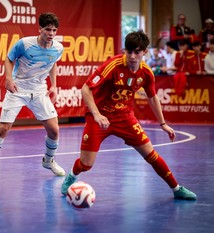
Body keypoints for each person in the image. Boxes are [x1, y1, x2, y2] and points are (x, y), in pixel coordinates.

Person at [61, 30, 197, 200]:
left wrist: (163, 123)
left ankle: (177, 188)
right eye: (129, 51)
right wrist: (96, 114)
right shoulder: (113, 65)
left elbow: (152, 97)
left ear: (144, 52)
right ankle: (72, 176)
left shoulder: (146, 73)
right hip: (100, 117)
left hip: (125, 117)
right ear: (124, 50)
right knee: (86, 164)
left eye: (137, 52)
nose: (132, 56)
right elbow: (86, 88)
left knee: (151, 155)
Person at [0, 12, 65, 180]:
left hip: (40, 90)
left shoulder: (58, 48)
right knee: (3, 129)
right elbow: (9, 59)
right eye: (48, 30)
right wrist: (9, 79)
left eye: (54, 30)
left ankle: (48, 161)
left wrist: (54, 85)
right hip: (18, 88)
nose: (51, 34)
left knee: (54, 131)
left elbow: (53, 63)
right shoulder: (24, 44)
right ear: (40, 29)